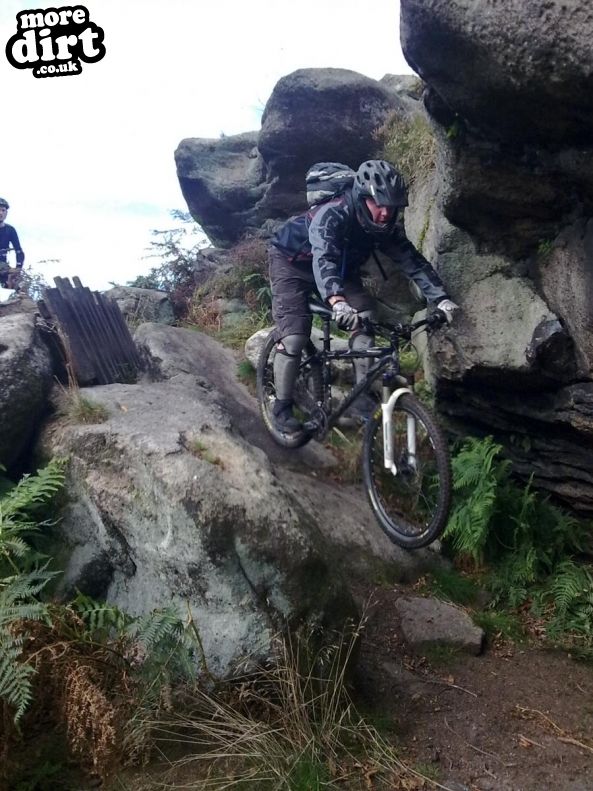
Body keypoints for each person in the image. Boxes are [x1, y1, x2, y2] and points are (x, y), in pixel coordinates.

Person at [268, 159, 459, 435]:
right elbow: (323, 256)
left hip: (341, 270)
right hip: (292, 263)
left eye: (391, 208)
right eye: (379, 204)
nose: (384, 213)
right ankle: (281, 407)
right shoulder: (334, 213)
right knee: (295, 336)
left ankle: (359, 397)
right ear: (363, 197)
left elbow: (412, 263)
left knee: (366, 317)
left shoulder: (385, 226)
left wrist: (441, 299)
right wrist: (336, 300)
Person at [0, 198, 25, 288]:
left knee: (18, 286)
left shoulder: (10, 230)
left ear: (6, 212)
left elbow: (19, 251)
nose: (1, 213)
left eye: (3, 210)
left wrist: (18, 268)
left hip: (2, 266)